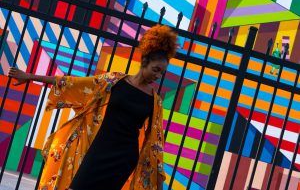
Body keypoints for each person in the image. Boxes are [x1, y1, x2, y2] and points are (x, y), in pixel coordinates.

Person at [8, 24, 178, 190]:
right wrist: (29, 76)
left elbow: (155, 142)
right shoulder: (114, 81)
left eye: (161, 73)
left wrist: (157, 178)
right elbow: (73, 83)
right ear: (144, 61)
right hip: (99, 150)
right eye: (155, 69)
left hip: (124, 159)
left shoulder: (155, 101)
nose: (157, 76)